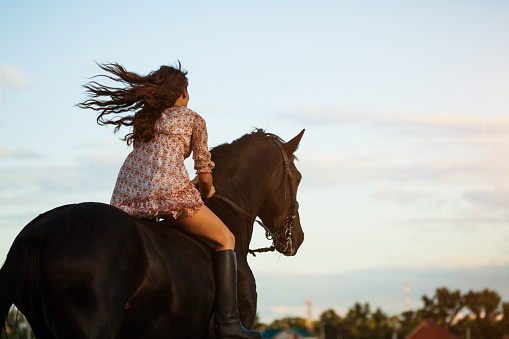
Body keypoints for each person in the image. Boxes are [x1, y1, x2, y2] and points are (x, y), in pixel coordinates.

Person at [78, 62, 261, 339]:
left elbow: (152, 165)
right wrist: (207, 190)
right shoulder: (192, 119)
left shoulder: (146, 119)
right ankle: (229, 324)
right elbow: (205, 173)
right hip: (170, 195)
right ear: (183, 93)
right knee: (226, 239)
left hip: (128, 196)